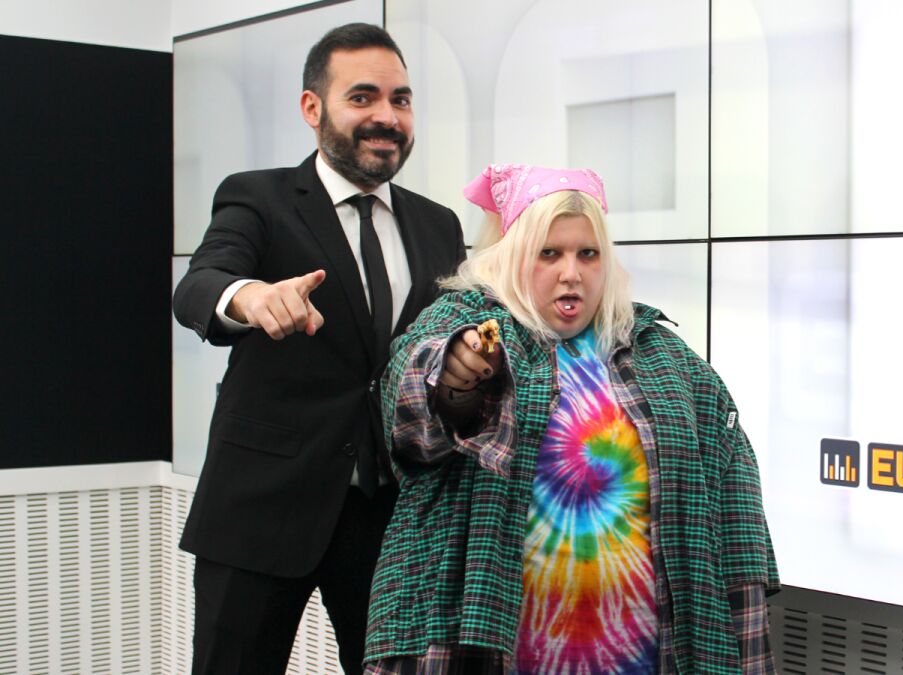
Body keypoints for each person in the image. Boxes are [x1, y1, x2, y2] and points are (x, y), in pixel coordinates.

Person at [364, 164, 778, 674]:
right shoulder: (467, 323)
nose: (571, 273)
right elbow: (412, 402)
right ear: (512, 256)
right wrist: (457, 373)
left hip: (639, 656)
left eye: (588, 253)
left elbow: (732, 503)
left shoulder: (662, 355)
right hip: (489, 649)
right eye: (549, 253)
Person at [172, 23, 465, 675]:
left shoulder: (438, 224)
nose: (387, 116)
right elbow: (201, 282)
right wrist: (249, 297)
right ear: (313, 107)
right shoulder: (259, 196)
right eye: (362, 97)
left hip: (389, 519)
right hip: (259, 510)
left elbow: (439, 350)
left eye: (401, 99)